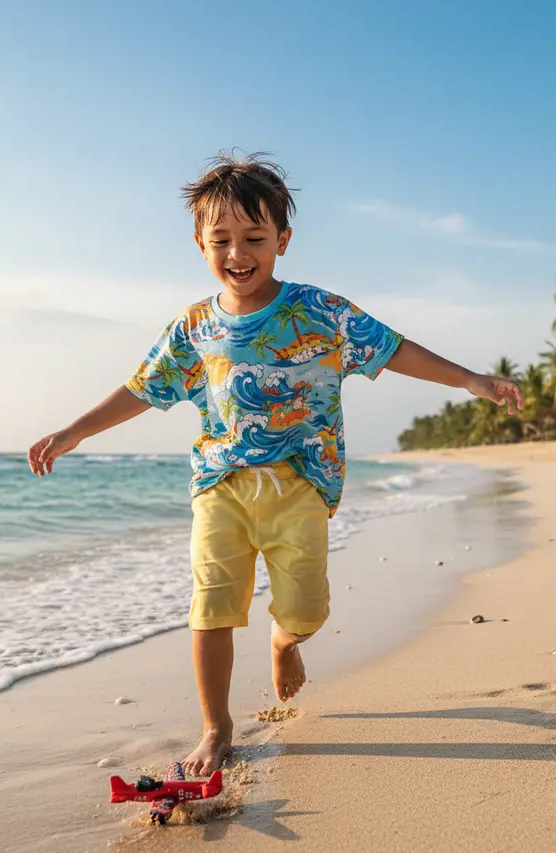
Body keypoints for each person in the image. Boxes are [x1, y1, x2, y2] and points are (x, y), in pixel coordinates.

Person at [27, 151, 524, 777]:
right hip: (221, 484)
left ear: (282, 241)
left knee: (307, 610)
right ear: (200, 244)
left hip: (303, 483)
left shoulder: (319, 311)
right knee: (211, 605)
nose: (238, 253)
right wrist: (75, 431)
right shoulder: (192, 327)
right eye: (221, 240)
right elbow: (142, 388)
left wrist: (471, 379)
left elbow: (393, 350)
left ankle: (285, 641)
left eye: (254, 238)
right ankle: (216, 727)